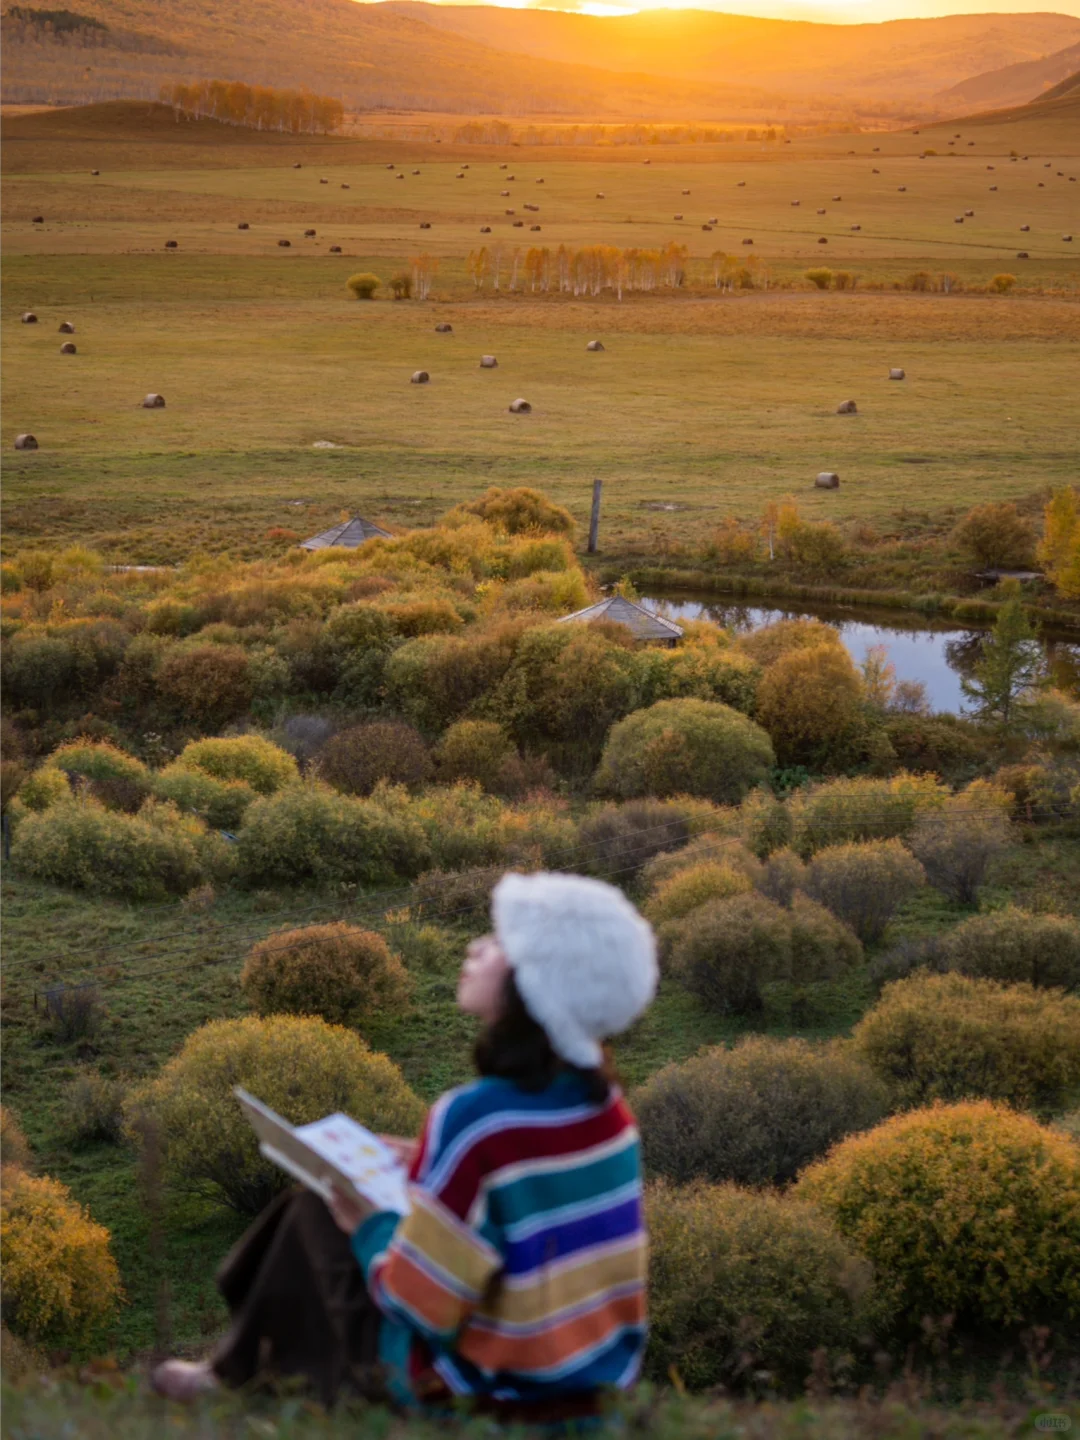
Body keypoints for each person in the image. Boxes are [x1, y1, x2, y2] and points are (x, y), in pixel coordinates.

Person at [152, 871, 658, 1424]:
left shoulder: (474, 1119)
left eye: (498, 944)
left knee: (318, 1210)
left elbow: (419, 1307)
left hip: (485, 1399)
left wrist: (366, 1226)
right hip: (595, 1388)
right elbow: (531, 1184)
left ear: (537, 983)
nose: (476, 947)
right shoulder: (607, 1110)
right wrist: (425, 1157)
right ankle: (238, 1374)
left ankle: (238, 1381)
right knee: (330, 1208)